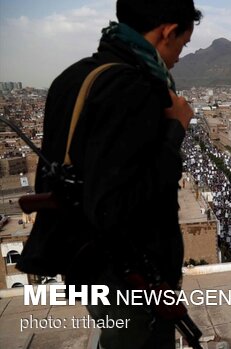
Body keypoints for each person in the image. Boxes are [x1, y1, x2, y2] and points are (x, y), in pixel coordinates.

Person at [17, 0, 202, 348]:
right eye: (183, 43)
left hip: (88, 262)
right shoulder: (134, 87)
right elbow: (117, 206)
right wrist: (175, 128)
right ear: (167, 31)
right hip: (130, 274)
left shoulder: (73, 77)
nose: (179, 55)